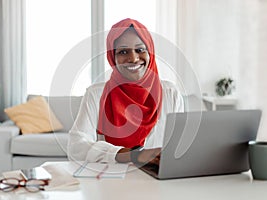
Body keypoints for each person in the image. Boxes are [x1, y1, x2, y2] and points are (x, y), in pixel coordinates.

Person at [68, 18, 184, 166]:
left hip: (157, 182)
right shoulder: (96, 95)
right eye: (123, 51)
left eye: (140, 50)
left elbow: (179, 147)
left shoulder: (170, 94)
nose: (133, 58)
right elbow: (76, 147)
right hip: (109, 182)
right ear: (112, 57)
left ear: (150, 52)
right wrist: (128, 155)